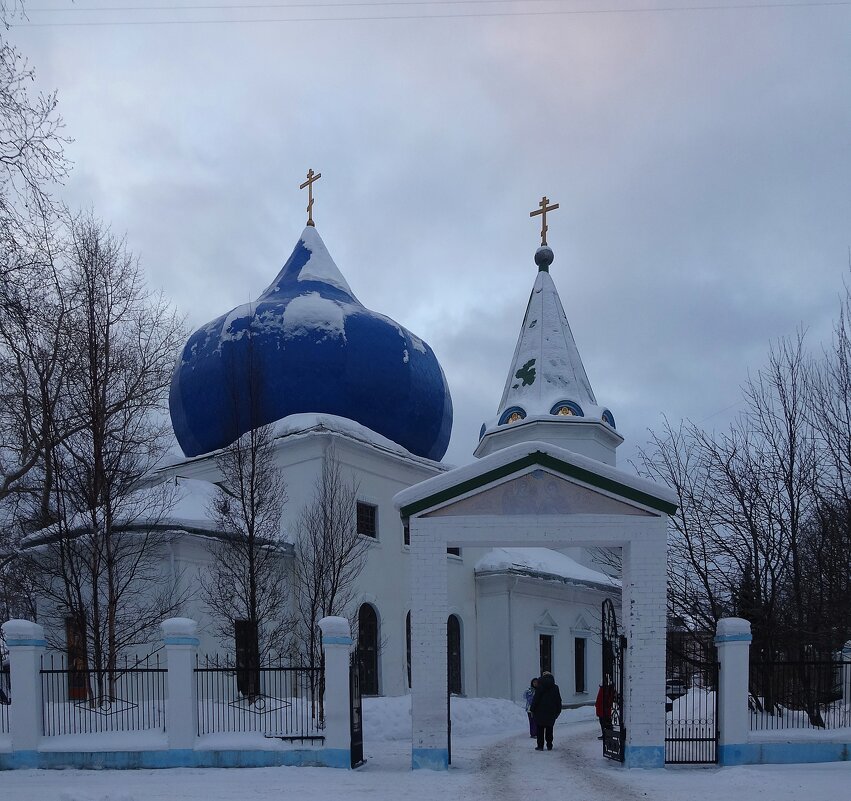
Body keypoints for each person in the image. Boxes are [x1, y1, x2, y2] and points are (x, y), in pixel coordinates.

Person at [529, 670, 562, 751]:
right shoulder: (555, 687)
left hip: (539, 711)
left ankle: (540, 746)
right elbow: (558, 700)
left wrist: (532, 709)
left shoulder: (539, 687)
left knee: (540, 729)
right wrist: (558, 710)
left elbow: (536, 699)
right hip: (551, 711)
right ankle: (549, 745)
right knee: (549, 729)